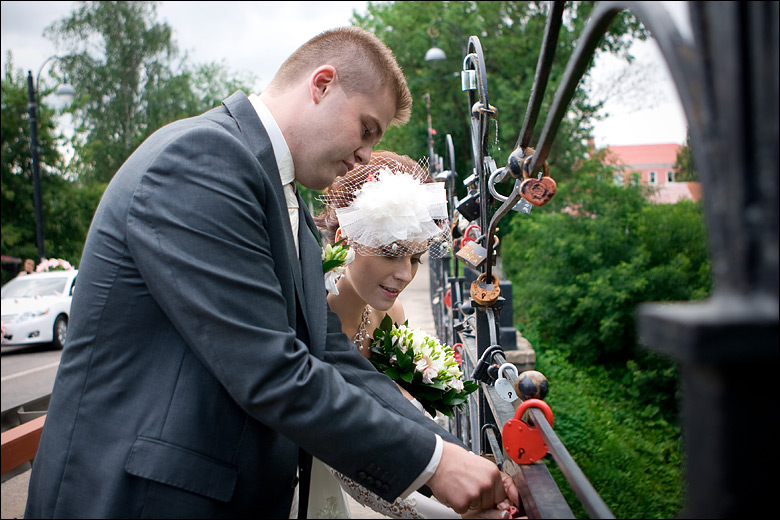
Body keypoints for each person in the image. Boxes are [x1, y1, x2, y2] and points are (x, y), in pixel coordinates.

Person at [24, 26, 517, 518]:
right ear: (321, 85)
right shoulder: (202, 157)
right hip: (141, 500)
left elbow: (331, 355)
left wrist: (456, 456)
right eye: (366, 128)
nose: (367, 153)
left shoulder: (285, 200)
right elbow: (269, 367)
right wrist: (434, 466)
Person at [308, 151, 515, 519]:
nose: (405, 274)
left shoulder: (391, 314)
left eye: (416, 258)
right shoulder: (310, 314)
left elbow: (395, 408)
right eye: (391, 252)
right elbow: (351, 459)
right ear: (345, 238)